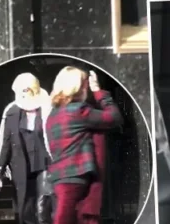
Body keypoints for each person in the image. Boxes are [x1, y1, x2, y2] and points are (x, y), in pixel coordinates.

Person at [46, 67, 123, 224]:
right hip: (76, 175)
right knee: (65, 218)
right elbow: (114, 117)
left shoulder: (53, 115)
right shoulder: (78, 111)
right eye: (85, 85)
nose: (86, 89)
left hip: (59, 176)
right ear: (78, 87)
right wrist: (98, 92)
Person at [0, 73, 53, 224]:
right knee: (25, 210)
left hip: (44, 164)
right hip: (21, 165)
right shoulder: (11, 112)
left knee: (42, 208)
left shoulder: (47, 109)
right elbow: (6, 143)